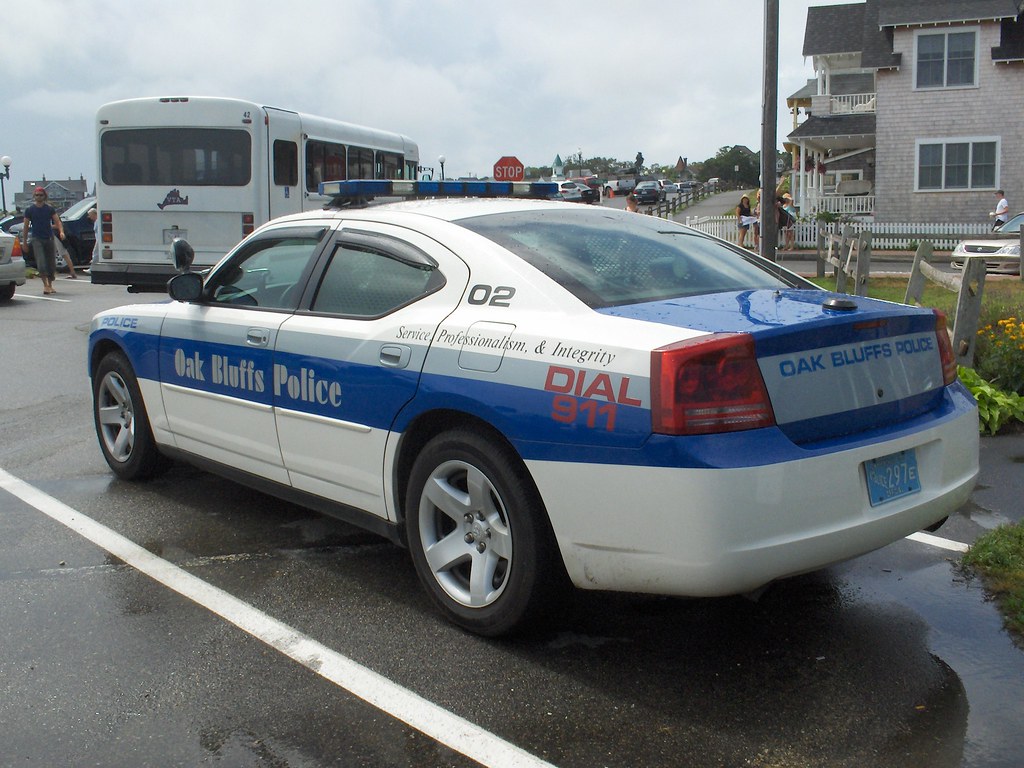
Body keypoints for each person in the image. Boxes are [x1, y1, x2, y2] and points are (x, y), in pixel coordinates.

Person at [21, 187, 66, 295]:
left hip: (49, 238)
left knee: (51, 263)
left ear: (44, 196)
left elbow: (57, 221)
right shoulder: (30, 210)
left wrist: (61, 231)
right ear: (34, 196)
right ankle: (45, 285)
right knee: (41, 263)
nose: (39, 197)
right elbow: (26, 226)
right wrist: (25, 242)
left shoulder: (49, 209)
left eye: (41, 195)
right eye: (37, 195)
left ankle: (50, 284)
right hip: (37, 239)